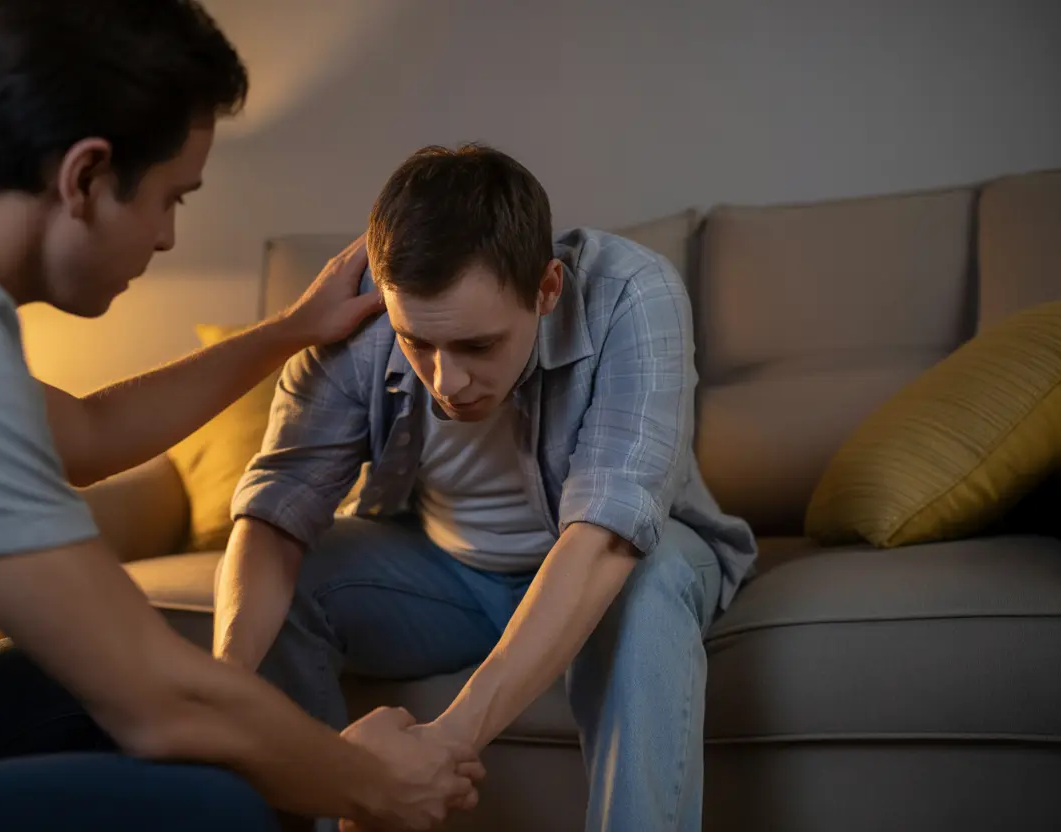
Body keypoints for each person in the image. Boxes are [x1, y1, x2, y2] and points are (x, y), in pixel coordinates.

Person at [0, 1, 484, 829]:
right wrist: (374, 782)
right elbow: (160, 704)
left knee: (86, 695)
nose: (169, 236)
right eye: (172, 197)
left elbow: (92, 434)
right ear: (86, 177)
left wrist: (288, 332)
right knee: (216, 798)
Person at [216, 143, 760, 832]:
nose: (446, 382)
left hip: (618, 564)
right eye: (418, 343)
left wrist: (448, 740)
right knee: (284, 582)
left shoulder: (633, 294)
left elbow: (607, 538)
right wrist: (223, 691)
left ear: (547, 289)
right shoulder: (355, 315)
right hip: (449, 577)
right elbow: (274, 512)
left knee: (646, 582)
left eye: (477, 347)